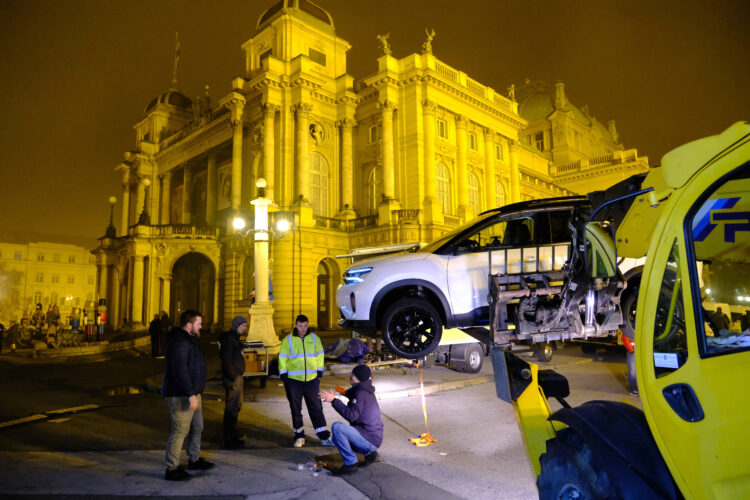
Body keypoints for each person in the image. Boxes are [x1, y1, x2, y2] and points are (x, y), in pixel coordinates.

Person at [161, 310, 214, 481]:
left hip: (192, 393)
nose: (201, 326)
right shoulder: (180, 342)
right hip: (181, 395)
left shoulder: (189, 340)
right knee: (180, 431)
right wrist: (190, 394)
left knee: (197, 427)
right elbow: (180, 370)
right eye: (199, 323)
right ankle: (171, 468)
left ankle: (194, 459)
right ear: (189, 325)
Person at [279, 314, 333, 448]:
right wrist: (283, 373)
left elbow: (320, 354)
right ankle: (299, 436)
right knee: (296, 409)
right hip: (293, 381)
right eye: (300, 326)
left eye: (305, 326)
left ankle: (324, 437)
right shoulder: (288, 340)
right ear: (296, 325)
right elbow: (282, 357)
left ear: (308, 325)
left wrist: (320, 370)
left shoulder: (315, 339)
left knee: (316, 408)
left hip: (311, 380)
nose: (303, 329)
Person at [320, 364, 383, 476]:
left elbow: (351, 416)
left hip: (369, 438)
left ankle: (350, 464)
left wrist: (334, 401)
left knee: (337, 428)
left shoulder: (360, 394)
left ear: (358, 378)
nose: (350, 376)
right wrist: (344, 392)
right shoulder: (366, 389)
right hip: (373, 436)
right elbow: (354, 395)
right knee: (338, 438)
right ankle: (370, 455)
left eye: (353, 375)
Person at [219, 316, 247, 449]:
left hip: (237, 377)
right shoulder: (229, 339)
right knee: (231, 407)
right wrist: (233, 376)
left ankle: (233, 434)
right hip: (233, 378)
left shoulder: (234, 337)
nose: (245, 328)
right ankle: (228, 438)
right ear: (237, 325)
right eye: (243, 326)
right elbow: (226, 358)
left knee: (237, 406)